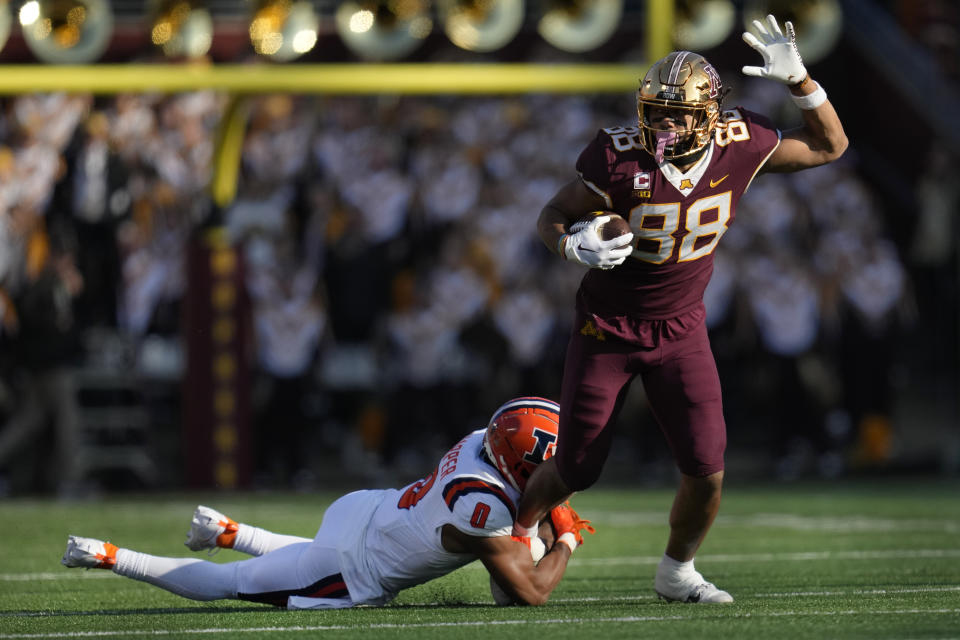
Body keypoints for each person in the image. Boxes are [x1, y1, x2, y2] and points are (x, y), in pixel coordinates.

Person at [511, 15, 848, 604]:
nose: (662, 124)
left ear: (711, 115)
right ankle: (517, 534)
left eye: (677, 114)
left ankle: (677, 571)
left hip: (683, 328)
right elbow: (551, 214)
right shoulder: (616, 157)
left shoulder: (741, 145)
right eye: (654, 111)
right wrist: (571, 244)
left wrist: (801, 82)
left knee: (706, 467)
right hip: (606, 328)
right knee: (579, 466)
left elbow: (829, 145)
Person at [61, 397, 595, 608]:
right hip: (354, 568)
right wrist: (565, 535)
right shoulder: (482, 504)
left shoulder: (487, 440)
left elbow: (515, 529)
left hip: (363, 511)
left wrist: (537, 513)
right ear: (519, 464)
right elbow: (526, 593)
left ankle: (230, 532)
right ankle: (111, 556)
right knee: (231, 586)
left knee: (300, 558)